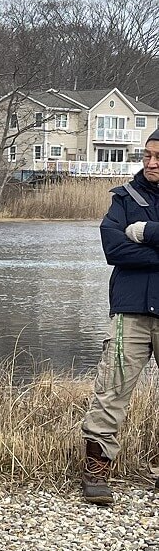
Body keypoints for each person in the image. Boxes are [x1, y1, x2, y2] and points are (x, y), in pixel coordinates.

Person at [81, 126, 159, 504]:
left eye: (158, 157)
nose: (151, 163)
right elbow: (114, 249)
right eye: (146, 155)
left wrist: (145, 232)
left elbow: (132, 246)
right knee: (111, 391)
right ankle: (96, 471)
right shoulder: (123, 198)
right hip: (130, 311)